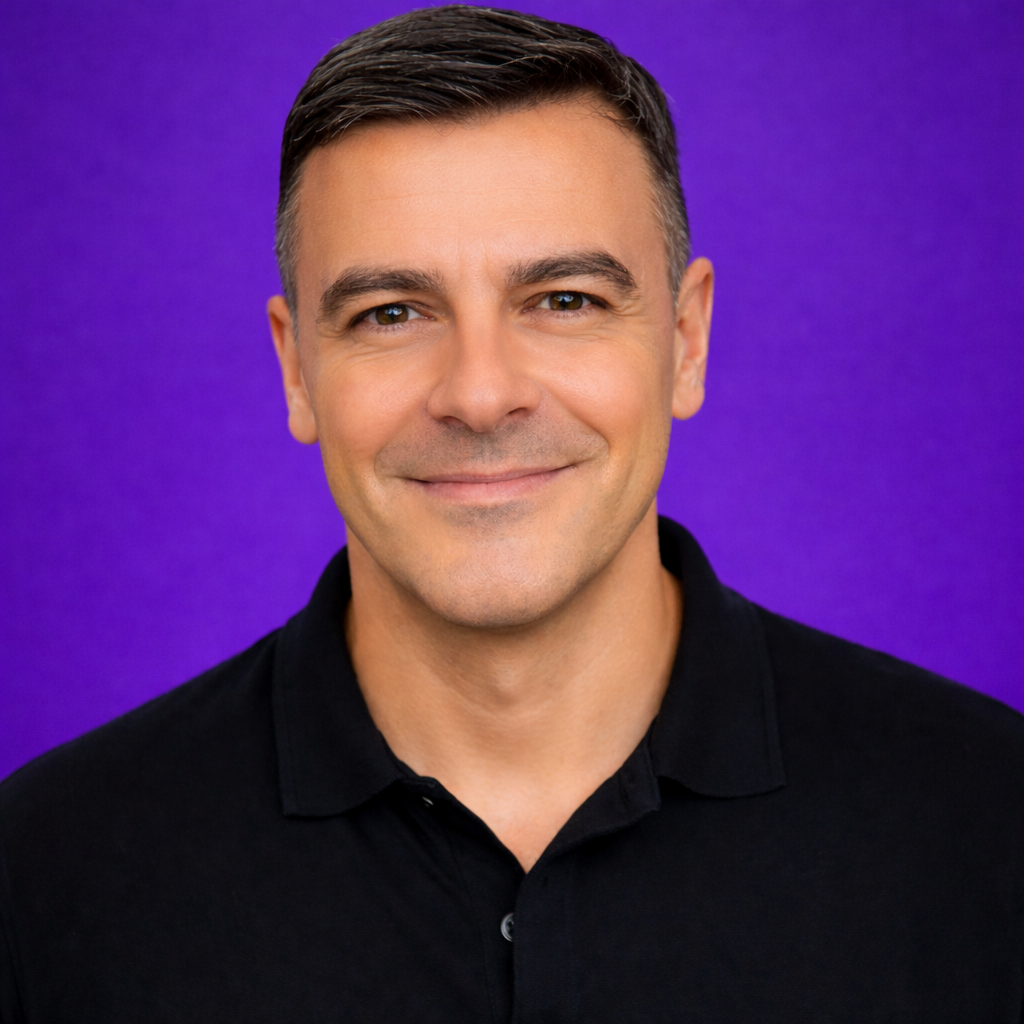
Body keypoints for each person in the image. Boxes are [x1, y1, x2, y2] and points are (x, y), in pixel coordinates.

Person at [1, 6, 1021, 1021]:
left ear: (686, 339)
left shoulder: (990, 821)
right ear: (296, 368)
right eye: (391, 313)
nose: (481, 395)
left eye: (565, 300)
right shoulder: (43, 874)